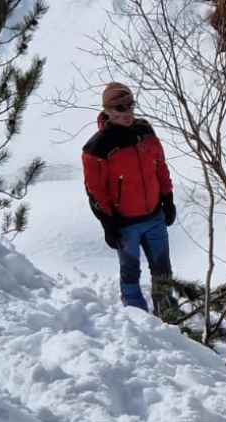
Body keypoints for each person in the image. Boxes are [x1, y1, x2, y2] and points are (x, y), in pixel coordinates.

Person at [81, 81, 179, 316]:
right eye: (120, 108)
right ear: (108, 111)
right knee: (130, 272)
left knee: (163, 270)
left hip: (155, 216)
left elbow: (160, 168)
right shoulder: (97, 147)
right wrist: (108, 224)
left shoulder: (145, 131)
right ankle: (138, 320)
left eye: (130, 105)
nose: (128, 112)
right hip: (125, 224)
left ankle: (168, 316)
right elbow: (95, 190)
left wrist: (168, 199)